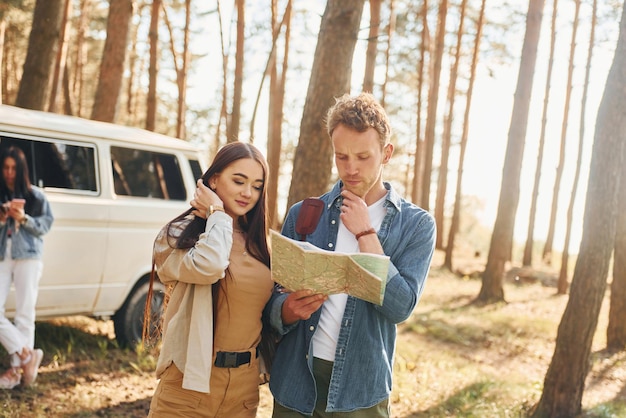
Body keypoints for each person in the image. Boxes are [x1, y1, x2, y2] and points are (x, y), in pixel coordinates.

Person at [267, 92, 437, 417]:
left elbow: (401, 307)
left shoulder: (416, 225)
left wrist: (365, 233)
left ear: (386, 153)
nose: (351, 168)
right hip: (295, 384)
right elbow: (272, 304)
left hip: (361, 390)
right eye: (341, 156)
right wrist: (287, 309)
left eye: (363, 157)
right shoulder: (303, 214)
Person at [147, 142, 274, 417]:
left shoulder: (261, 245)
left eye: (256, 185)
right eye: (238, 181)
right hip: (189, 384)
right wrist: (217, 213)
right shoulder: (178, 235)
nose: (247, 193)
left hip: (244, 387)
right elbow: (211, 265)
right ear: (213, 180)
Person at [0, 146, 53, 389]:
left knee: (24, 313)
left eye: (13, 168)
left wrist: (23, 218)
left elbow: (44, 226)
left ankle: (16, 373)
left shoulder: (36, 196)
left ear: (21, 169)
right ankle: (27, 356)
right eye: (6, 167)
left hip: (29, 256)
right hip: (3, 255)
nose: (9, 172)